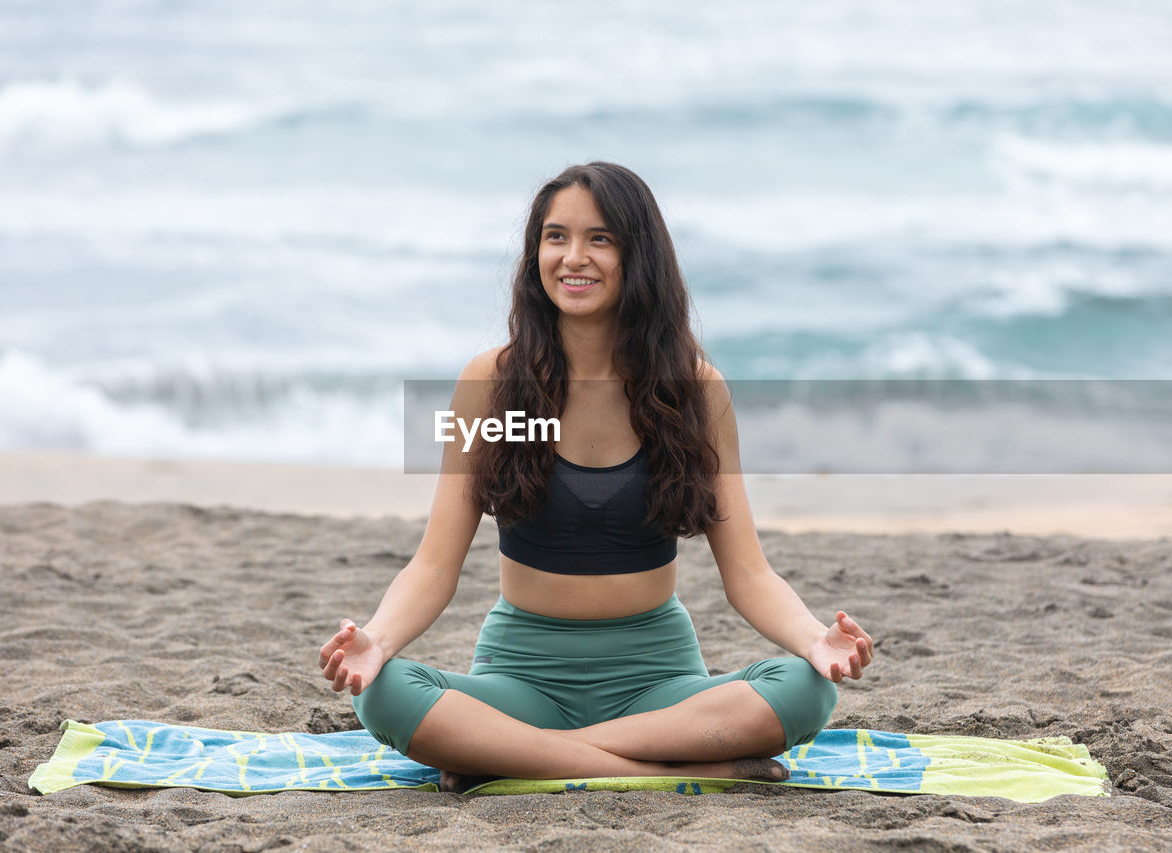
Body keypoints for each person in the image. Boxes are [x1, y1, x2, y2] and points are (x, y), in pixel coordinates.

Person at [318, 162, 873, 792]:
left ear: (639, 256)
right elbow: (433, 566)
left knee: (806, 688)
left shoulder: (695, 391)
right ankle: (684, 766)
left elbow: (748, 573)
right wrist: (378, 638)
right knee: (383, 692)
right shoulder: (488, 386)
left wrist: (814, 639)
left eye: (599, 239)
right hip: (521, 681)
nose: (573, 257)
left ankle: (520, 756)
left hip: (659, 686)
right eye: (556, 237)